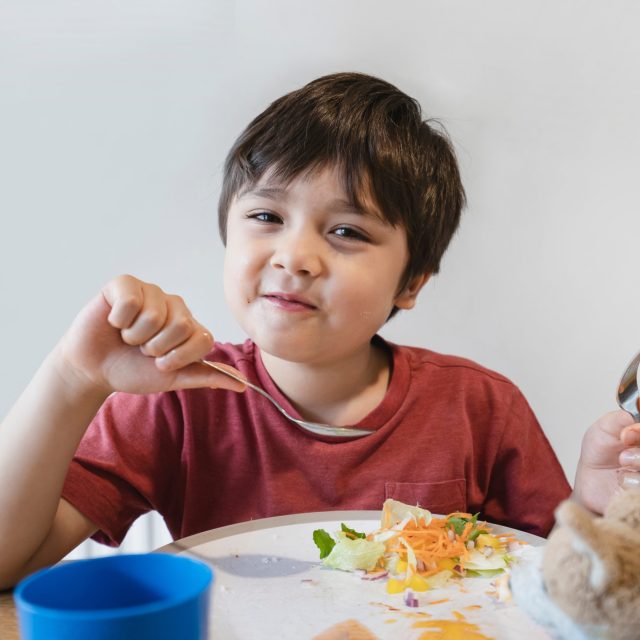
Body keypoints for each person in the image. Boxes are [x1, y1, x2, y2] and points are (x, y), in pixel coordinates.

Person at [1, 72, 638, 590]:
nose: (294, 256)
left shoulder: (480, 407)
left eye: (347, 231)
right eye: (266, 215)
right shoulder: (174, 398)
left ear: (411, 282)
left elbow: (556, 591)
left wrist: (596, 514)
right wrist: (73, 379)